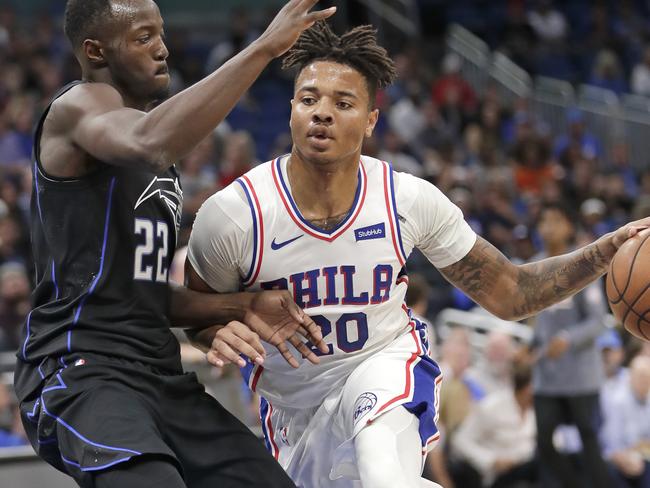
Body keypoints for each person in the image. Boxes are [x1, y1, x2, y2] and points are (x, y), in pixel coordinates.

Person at [185, 21, 650, 488]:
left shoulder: (406, 199)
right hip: (293, 408)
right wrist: (216, 332)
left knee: (383, 469)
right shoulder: (233, 214)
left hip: (385, 364)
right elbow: (195, 311)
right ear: (290, 111)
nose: (321, 113)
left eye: (342, 103)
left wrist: (601, 254)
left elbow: (512, 293)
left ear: (371, 120)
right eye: (309, 99)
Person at [13, 1, 335, 488]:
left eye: (160, 34)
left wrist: (243, 305)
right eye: (143, 38)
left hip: (157, 372)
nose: (162, 49)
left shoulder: (155, 158)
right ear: (96, 50)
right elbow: (149, 140)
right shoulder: (77, 107)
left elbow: (145, 293)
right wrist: (265, 48)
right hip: (82, 371)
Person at [529, 203, 612, 488]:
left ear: (568, 226)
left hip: (580, 377)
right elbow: (539, 321)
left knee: (590, 444)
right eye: (544, 221)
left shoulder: (581, 263)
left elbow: (599, 321)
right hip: (548, 377)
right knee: (543, 442)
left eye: (555, 220)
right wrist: (529, 345)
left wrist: (567, 338)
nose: (548, 227)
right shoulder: (534, 265)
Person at [451, 363, 537, 488]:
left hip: (528, 467)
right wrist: (491, 460)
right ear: (527, 389)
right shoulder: (491, 407)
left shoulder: (537, 410)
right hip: (498, 476)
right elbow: (461, 440)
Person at [600, 355, 650, 488]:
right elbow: (611, 445)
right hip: (618, 460)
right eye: (641, 376)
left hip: (643, 458)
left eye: (648, 377)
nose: (645, 381)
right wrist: (625, 459)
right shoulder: (618, 401)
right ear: (631, 377)